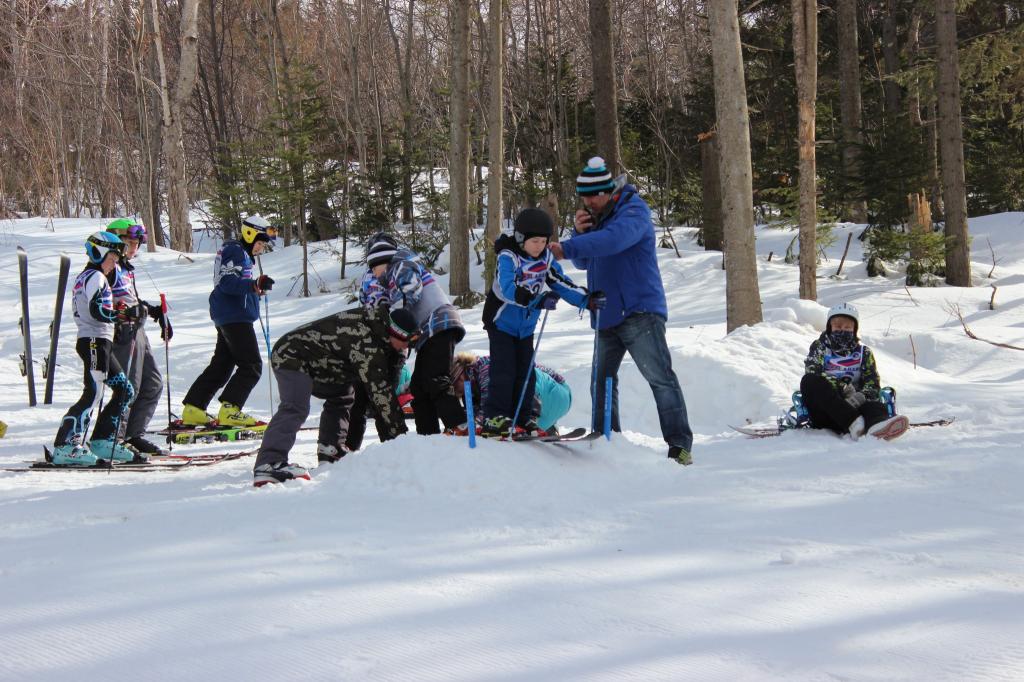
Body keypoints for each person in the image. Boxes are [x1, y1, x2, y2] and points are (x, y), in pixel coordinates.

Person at [548, 156, 693, 465]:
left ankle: (680, 446)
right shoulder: (599, 216)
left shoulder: (634, 210)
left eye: (591, 195)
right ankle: (606, 438)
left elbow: (614, 241)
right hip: (606, 313)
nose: (587, 201)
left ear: (607, 191)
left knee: (660, 378)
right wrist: (579, 233)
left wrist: (569, 246)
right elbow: (586, 262)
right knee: (601, 380)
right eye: (583, 196)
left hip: (639, 310)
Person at [252, 305, 418, 486]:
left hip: (322, 364)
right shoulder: (367, 341)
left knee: (344, 394)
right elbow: (381, 394)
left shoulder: (378, 330)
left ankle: (330, 449)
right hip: (292, 355)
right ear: (394, 333)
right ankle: (268, 463)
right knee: (295, 407)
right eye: (405, 341)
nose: (406, 347)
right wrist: (402, 440)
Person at [479, 208, 596, 437]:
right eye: (534, 241)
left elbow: (560, 281)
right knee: (505, 370)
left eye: (543, 241)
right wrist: (536, 300)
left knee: (526, 371)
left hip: (526, 327)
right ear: (522, 238)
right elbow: (506, 288)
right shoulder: (508, 256)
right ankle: (495, 417)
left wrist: (586, 299)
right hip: (501, 323)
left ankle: (524, 417)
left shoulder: (545, 258)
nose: (539, 246)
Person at [315, 233, 412, 461]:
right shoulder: (394, 273)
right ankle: (394, 447)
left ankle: (348, 447)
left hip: (364, 345)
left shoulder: (369, 276)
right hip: (387, 343)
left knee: (360, 401)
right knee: (383, 398)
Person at [181, 215, 276, 427]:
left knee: (222, 365)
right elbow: (227, 282)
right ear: (249, 234)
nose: (260, 248)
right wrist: (253, 285)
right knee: (251, 365)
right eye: (260, 243)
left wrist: (254, 289)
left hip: (230, 313)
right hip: (235, 316)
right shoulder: (236, 251)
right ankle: (231, 408)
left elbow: (235, 283)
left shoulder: (239, 253)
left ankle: (194, 407)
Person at [51, 232, 137, 465]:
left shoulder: (91, 277)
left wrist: (122, 313)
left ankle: (102, 440)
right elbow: (97, 310)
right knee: (93, 393)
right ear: (98, 254)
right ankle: (65, 445)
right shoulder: (95, 277)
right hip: (93, 341)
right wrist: (123, 314)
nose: (114, 264)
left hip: (101, 341)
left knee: (125, 391)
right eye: (112, 259)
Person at [372, 236, 467, 435]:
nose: (373, 273)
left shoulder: (401, 265)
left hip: (439, 322)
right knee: (418, 386)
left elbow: (409, 292)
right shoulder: (393, 274)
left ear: (383, 262)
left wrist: (395, 320)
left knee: (434, 377)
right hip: (430, 331)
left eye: (374, 268)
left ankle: (459, 423)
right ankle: (427, 434)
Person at [105, 219, 172, 455]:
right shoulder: (108, 269)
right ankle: (115, 438)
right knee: (128, 387)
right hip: (123, 332)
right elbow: (102, 301)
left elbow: (133, 300)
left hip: (138, 331)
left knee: (153, 383)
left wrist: (154, 312)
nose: (134, 248)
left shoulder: (125, 270)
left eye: (137, 243)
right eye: (130, 242)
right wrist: (122, 313)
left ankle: (134, 435)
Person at [800, 303, 910, 440]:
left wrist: (860, 397)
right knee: (809, 381)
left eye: (847, 327)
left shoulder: (864, 353)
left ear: (854, 329)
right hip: (827, 411)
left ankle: (877, 426)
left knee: (874, 403)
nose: (843, 330)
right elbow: (813, 371)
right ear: (830, 327)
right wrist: (842, 387)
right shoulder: (820, 348)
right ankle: (853, 423)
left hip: (857, 408)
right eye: (838, 327)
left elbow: (873, 384)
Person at [452, 353, 573, 435]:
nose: (457, 388)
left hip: (557, 392)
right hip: (549, 407)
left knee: (513, 381)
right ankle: (546, 427)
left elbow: (489, 404)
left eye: (457, 382)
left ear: (462, 372)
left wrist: (476, 424)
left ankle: (531, 419)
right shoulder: (471, 390)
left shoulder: (484, 366)